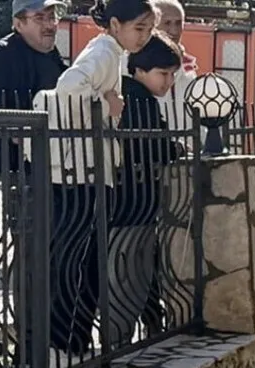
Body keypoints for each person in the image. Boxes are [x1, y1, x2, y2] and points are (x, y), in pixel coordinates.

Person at [35, 0, 156, 355]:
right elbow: (68, 89)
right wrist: (107, 105)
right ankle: (69, 340)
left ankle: (74, 340)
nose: (144, 37)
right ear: (116, 24)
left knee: (82, 258)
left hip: (88, 169)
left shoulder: (110, 51)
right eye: (139, 28)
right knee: (80, 258)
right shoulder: (104, 51)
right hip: (84, 173)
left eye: (149, 30)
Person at [105, 30, 183, 347]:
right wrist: (174, 150)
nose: (168, 82)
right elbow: (149, 146)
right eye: (163, 74)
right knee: (128, 277)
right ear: (139, 69)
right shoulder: (138, 100)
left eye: (172, 75)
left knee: (135, 273)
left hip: (127, 203)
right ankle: (119, 342)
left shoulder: (133, 94)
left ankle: (140, 328)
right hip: (132, 204)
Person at [0, 0, 69, 111]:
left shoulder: (55, 60)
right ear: (19, 24)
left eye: (52, 17)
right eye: (39, 18)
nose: (49, 25)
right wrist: (12, 123)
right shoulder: (1, 55)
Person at [150, 0, 197, 131]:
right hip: (153, 145)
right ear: (153, 23)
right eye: (167, 23)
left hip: (187, 146)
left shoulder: (188, 68)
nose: (174, 30)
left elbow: (196, 114)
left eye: (178, 23)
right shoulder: (134, 62)